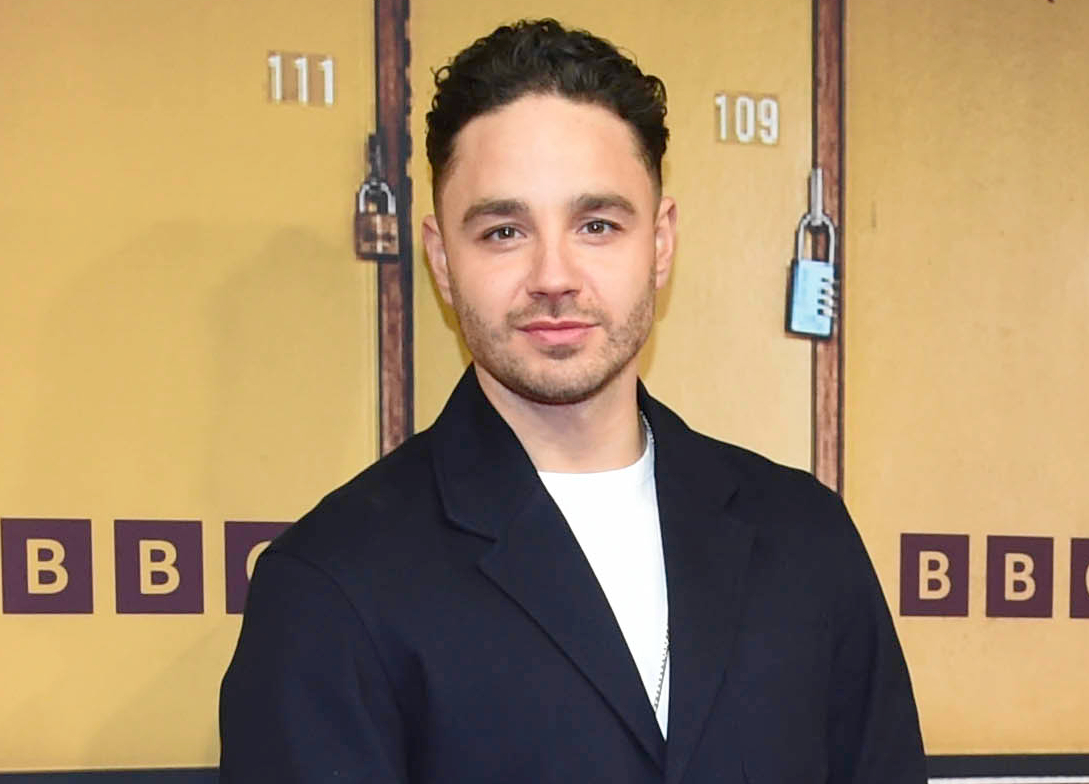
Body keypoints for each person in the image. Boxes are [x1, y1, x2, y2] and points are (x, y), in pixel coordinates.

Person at [219, 18, 926, 783]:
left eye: (596, 224)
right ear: (440, 259)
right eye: (502, 231)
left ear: (659, 243)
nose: (554, 275)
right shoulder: (332, 584)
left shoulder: (806, 542)